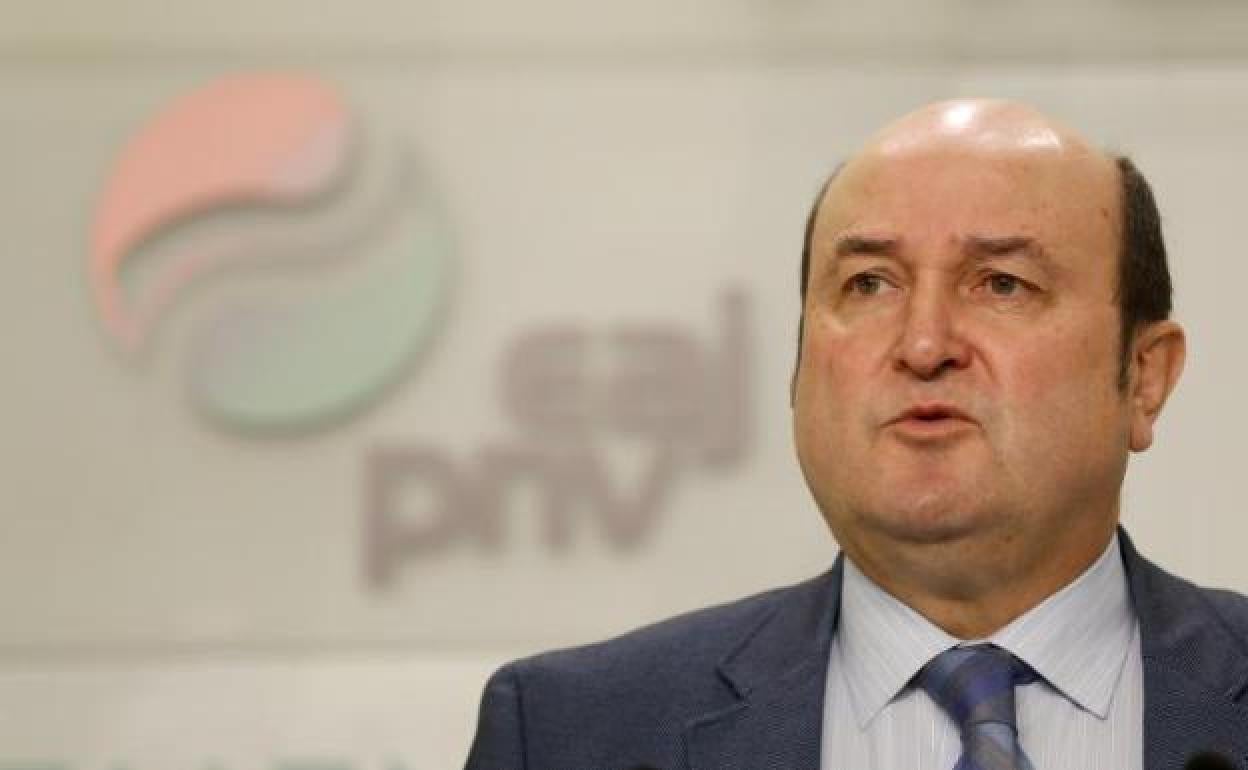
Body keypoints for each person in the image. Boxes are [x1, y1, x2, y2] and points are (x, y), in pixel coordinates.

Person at [463, 99, 1248, 770]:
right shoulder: (569, 734)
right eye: (869, 284)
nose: (924, 344)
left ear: (1145, 374)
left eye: (1002, 284)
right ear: (798, 365)